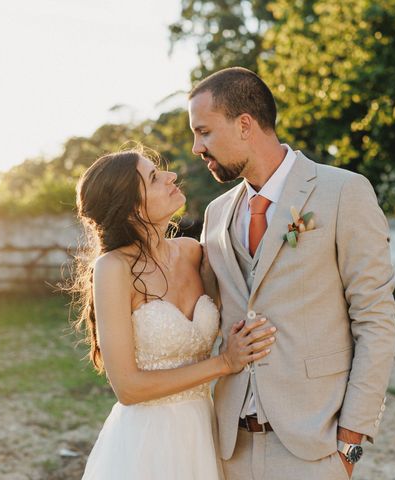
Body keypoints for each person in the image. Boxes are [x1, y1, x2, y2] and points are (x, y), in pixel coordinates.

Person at [190, 67, 395, 479]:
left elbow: (375, 319)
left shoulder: (343, 192)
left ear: (245, 124)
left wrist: (351, 441)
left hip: (313, 448)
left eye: (204, 132)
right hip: (229, 446)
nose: (197, 147)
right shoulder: (216, 214)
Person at [71, 147, 277, 480]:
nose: (171, 176)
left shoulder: (193, 251)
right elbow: (128, 387)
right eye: (154, 177)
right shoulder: (113, 268)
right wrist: (224, 363)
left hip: (205, 433)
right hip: (148, 443)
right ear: (131, 207)